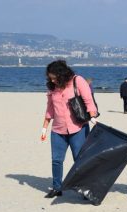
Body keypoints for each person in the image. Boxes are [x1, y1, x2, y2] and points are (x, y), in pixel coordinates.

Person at [40, 60, 98, 198]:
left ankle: (85, 188)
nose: (52, 80)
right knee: (56, 160)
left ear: (62, 74)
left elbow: (88, 101)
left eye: (54, 77)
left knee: (80, 160)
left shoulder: (78, 81)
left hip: (78, 128)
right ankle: (57, 188)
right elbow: (50, 109)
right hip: (58, 130)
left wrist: (92, 117)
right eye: (50, 78)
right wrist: (44, 128)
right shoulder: (52, 88)